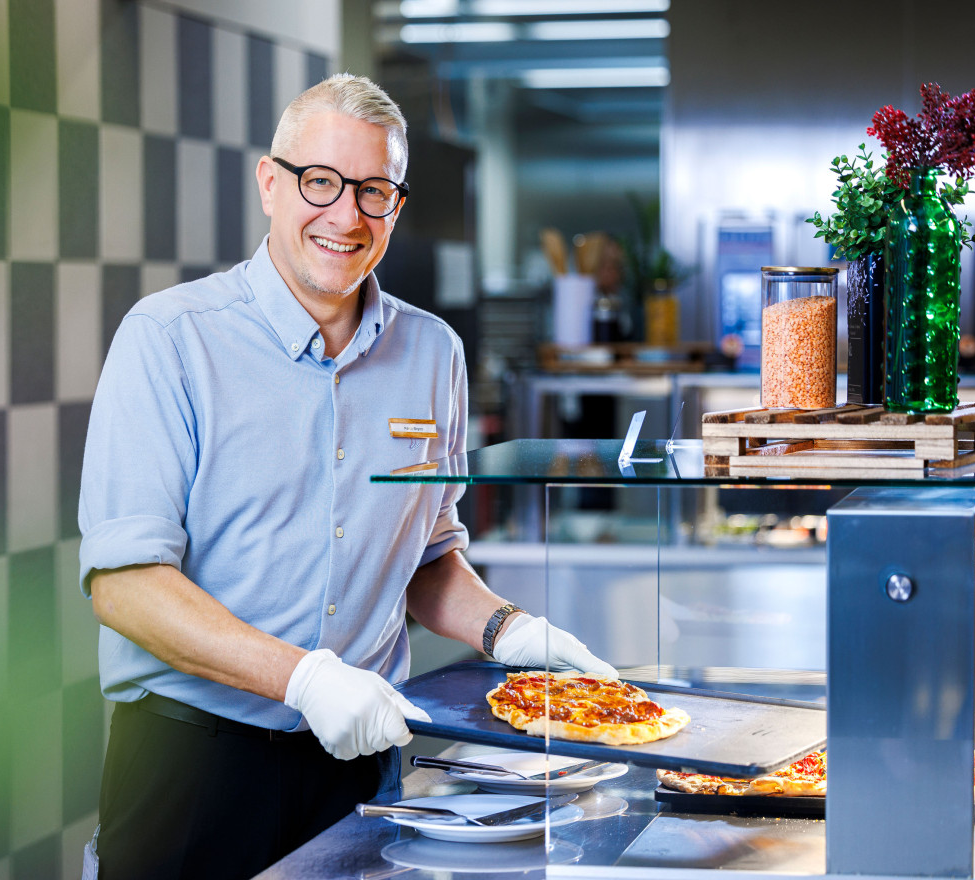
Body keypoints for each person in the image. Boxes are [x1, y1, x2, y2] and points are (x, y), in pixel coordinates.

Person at [77, 73, 616, 880]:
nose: (345, 215)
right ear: (270, 183)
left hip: (361, 764)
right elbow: (124, 585)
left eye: (373, 191)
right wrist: (301, 677)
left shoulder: (434, 353)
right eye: (320, 182)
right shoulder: (169, 339)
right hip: (190, 763)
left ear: (396, 207)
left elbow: (422, 558)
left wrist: (509, 631)